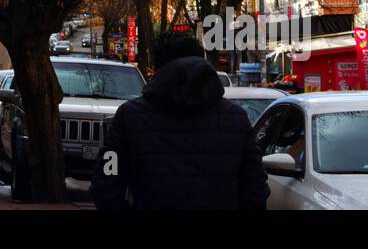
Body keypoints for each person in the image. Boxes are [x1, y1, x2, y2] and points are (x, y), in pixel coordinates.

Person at [91, 33, 269, 210]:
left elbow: (107, 178)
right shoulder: (235, 118)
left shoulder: (129, 116)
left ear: (157, 69)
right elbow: (255, 185)